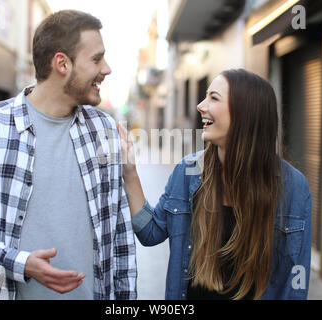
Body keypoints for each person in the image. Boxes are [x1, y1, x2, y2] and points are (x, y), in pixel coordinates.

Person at [0, 10, 137, 300]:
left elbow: (119, 236)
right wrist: (20, 264)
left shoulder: (104, 130)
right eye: (96, 59)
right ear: (62, 63)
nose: (106, 69)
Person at [118, 68, 311, 300]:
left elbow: (294, 289)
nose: (201, 105)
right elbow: (151, 233)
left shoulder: (293, 187)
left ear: (244, 113)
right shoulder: (188, 173)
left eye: (213, 98)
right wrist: (130, 173)